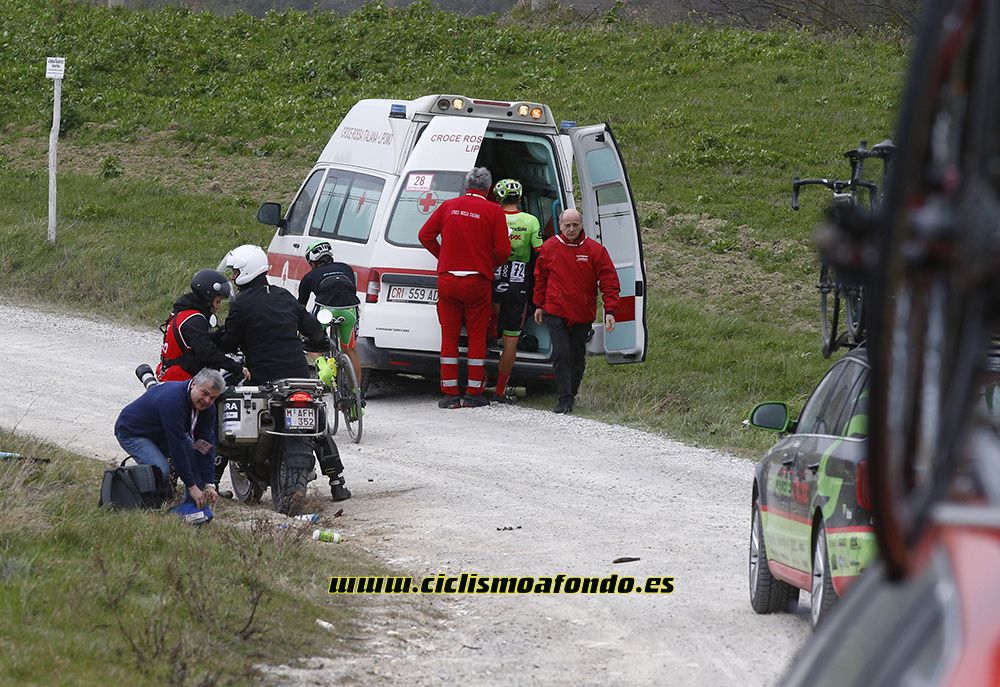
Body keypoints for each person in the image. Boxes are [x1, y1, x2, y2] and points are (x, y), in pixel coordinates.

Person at [214, 244, 351, 503]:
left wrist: (214, 340)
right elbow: (314, 330)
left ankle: (211, 477)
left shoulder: (241, 303)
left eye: (235, 272)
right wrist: (318, 342)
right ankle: (337, 483)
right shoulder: (285, 296)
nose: (232, 278)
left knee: (228, 409)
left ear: (245, 272)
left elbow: (229, 342)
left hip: (263, 376)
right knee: (318, 423)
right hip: (297, 375)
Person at [418, 167, 511, 409]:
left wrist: (444, 258)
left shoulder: (449, 206)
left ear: (466, 185)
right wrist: (486, 263)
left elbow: (425, 235)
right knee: (477, 336)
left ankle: (450, 393)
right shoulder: (494, 211)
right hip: (477, 282)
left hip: (448, 279)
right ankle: (473, 393)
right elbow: (503, 250)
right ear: (488, 188)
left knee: (449, 336)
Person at [533, 209, 620, 414]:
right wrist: (539, 304)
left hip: (582, 313)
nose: (571, 229)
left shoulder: (595, 250)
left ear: (582, 225)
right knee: (561, 354)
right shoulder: (550, 248)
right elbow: (540, 277)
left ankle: (571, 392)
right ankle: (564, 399)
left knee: (577, 359)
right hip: (555, 311)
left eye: (575, 225)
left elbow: (609, 281)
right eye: (567, 225)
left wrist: (610, 310)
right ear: (560, 226)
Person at [114, 368, 225, 524]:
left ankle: (190, 509)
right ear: (193, 384)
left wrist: (209, 483)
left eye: (213, 398)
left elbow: (205, 446)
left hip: (162, 433)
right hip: (133, 432)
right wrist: (192, 486)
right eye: (205, 393)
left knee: (193, 454)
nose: (207, 401)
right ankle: (132, 497)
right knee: (161, 470)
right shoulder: (173, 400)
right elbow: (177, 446)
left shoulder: (208, 409)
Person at [490, 178, 543, 403]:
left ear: (497, 197)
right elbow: (540, 252)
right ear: (519, 198)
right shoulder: (531, 221)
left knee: (485, 333)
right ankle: (500, 390)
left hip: (492, 279)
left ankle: (475, 382)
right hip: (518, 283)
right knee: (511, 339)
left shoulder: (491, 215)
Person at [156, 269, 249, 383]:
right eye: (218, 301)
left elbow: (200, 340)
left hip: (171, 373)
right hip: (179, 380)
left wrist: (222, 332)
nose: (218, 307)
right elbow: (207, 353)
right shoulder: (194, 320)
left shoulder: (184, 313)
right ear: (208, 298)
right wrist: (237, 368)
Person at [298, 240, 363, 401]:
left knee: (310, 342)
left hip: (325, 312)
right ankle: (358, 396)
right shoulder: (346, 268)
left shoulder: (309, 277)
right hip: (350, 311)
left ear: (312, 261)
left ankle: (323, 366)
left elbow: (300, 308)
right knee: (350, 350)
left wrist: (299, 330)